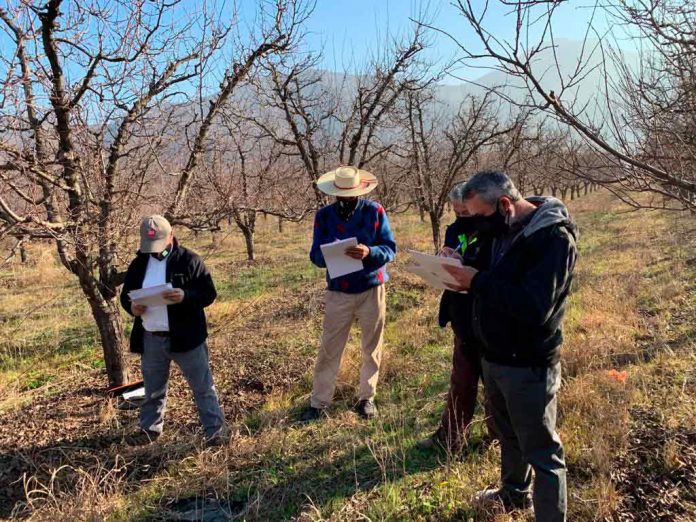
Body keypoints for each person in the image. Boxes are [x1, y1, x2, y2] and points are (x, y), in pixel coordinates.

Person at [444, 170, 578, 521]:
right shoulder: (499, 229)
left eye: (478, 216)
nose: (475, 225)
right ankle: (514, 494)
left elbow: (535, 307)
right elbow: (490, 274)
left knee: (542, 451)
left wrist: (476, 281)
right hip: (495, 355)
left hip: (529, 363)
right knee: (508, 435)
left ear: (504, 205)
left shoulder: (551, 239)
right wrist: (459, 264)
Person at [301, 166, 396, 421]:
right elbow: (315, 255)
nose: (346, 199)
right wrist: (330, 254)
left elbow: (390, 249)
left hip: (371, 288)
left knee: (371, 346)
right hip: (338, 291)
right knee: (329, 347)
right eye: (342, 195)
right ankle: (319, 402)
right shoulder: (324, 217)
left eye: (351, 194)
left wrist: (369, 252)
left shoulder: (375, 212)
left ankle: (367, 397)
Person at [120, 215, 226, 445]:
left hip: (186, 338)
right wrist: (132, 307)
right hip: (151, 337)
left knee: (203, 387)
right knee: (153, 389)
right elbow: (125, 295)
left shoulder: (189, 260)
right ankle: (149, 429)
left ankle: (215, 432)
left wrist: (185, 296)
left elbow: (208, 294)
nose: (154, 251)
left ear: (171, 235)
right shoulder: (139, 264)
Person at [417, 182, 495, 452]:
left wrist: (470, 270)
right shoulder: (454, 229)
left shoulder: (494, 230)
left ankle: (497, 436)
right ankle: (449, 437)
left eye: (466, 213)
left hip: (487, 316)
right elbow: (452, 252)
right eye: (457, 213)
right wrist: (445, 257)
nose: (462, 218)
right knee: (461, 379)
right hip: (461, 313)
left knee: (494, 383)